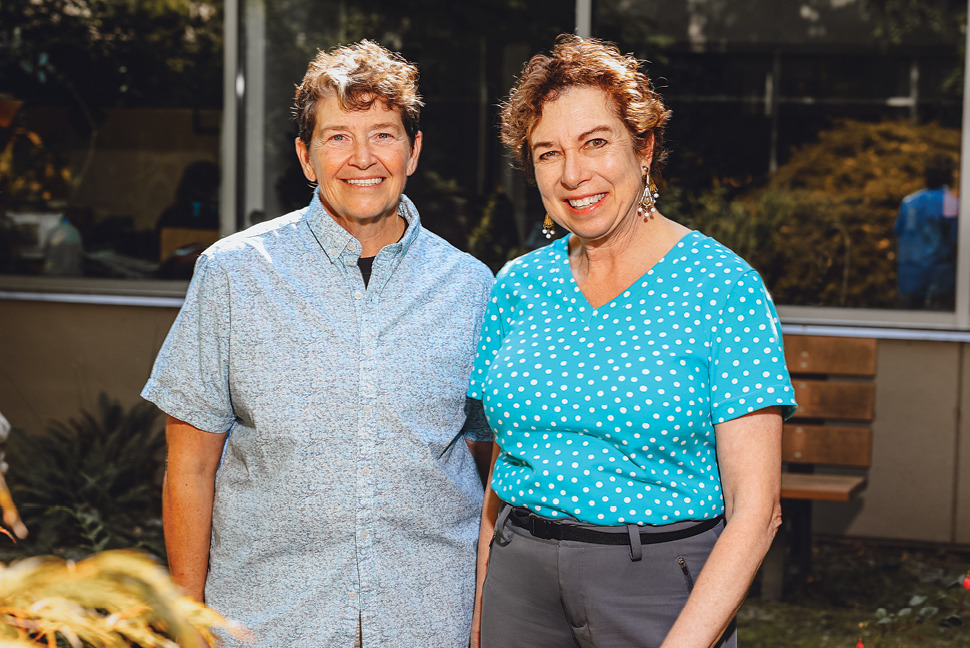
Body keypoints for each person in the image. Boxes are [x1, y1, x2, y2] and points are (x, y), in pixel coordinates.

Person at [142, 40, 495, 648]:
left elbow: (493, 467)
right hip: (267, 623)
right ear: (306, 157)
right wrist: (186, 623)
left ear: (413, 150)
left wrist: (484, 616)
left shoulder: (471, 287)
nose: (362, 158)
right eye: (337, 137)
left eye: (382, 135)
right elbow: (190, 466)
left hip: (429, 619)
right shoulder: (233, 275)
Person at [466, 36, 797, 648]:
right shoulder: (517, 285)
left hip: (659, 593)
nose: (572, 174)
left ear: (643, 148)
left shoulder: (722, 286)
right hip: (520, 582)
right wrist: (485, 604)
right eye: (548, 153)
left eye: (595, 142)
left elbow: (757, 512)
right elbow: (501, 463)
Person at [894, 153, 959, 310]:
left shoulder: (909, 202)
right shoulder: (951, 203)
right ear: (949, 176)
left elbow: (898, 234)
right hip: (938, 280)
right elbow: (957, 242)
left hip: (909, 278)